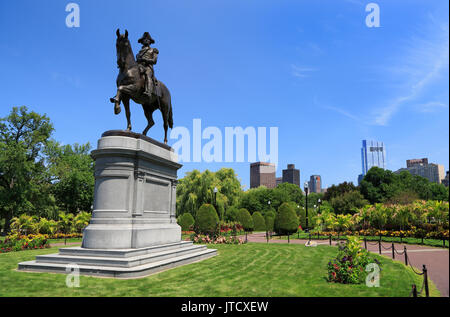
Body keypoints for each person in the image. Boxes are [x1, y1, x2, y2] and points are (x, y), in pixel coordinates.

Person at [136, 32, 160, 98]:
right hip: (139, 67)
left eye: (148, 39)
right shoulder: (139, 53)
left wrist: (145, 60)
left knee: (147, 75)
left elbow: (154, 61)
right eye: (144, 39)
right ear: (142, 41)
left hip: (148, 67)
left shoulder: (153, 50)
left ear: (150, 42)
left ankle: (148, 92)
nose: (146, 40)